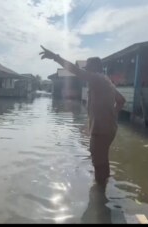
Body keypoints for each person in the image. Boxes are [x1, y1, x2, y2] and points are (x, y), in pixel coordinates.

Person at [39, 46, 126, 187]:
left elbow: (75, 70)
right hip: (109, 128)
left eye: (88, 68)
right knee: (102, 159)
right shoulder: (106, 81)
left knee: (98, 161)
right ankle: (103, 185)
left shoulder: (97, 79)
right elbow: (121, 101)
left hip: (101, 130)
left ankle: (99, 194)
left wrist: (55, 57)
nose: (85, 71)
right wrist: (111, 117)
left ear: (95, 68)